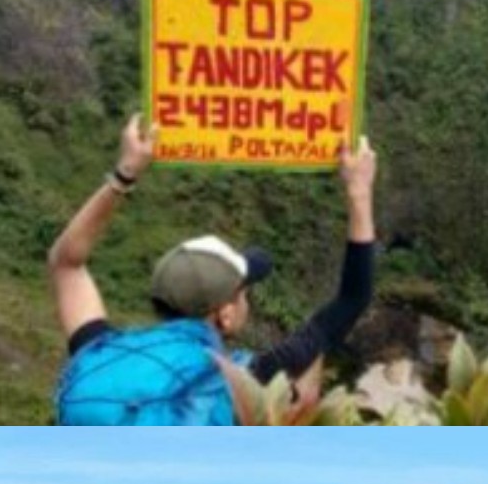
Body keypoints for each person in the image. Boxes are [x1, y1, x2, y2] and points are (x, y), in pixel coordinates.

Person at [48, 114, 377, 424]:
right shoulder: (245, 381)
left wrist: (125, 174)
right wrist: (359, 193)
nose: (248, 300)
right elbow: (353, 298)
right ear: (226, 314)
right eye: (244, 292)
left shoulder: (100, 352)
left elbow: (66, 263)